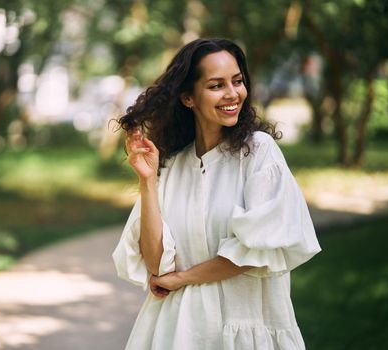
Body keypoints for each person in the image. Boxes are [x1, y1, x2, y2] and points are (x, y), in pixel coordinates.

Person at [112, 38, 321, 350]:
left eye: (237, 81)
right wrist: (147, 181)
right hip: (177, 332)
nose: (232, 94)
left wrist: (183, 279)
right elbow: (157, 266)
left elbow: (255, 251)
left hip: (246, 334)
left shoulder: (259, 153)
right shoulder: (172, 165)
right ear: (188, 97)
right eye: (216, 85)